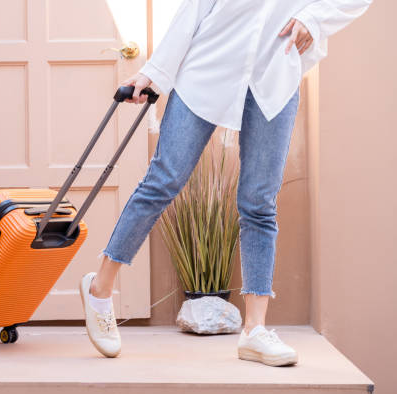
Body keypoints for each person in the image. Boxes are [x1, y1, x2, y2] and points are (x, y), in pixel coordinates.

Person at [79, 0, 373, 366]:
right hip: (207, 70)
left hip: (274, 80)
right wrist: (154, 72)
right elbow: (194, 10)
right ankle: (100, 288)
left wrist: (314, 17)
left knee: (259, 203)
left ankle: (254, 331)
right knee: (163, 180)